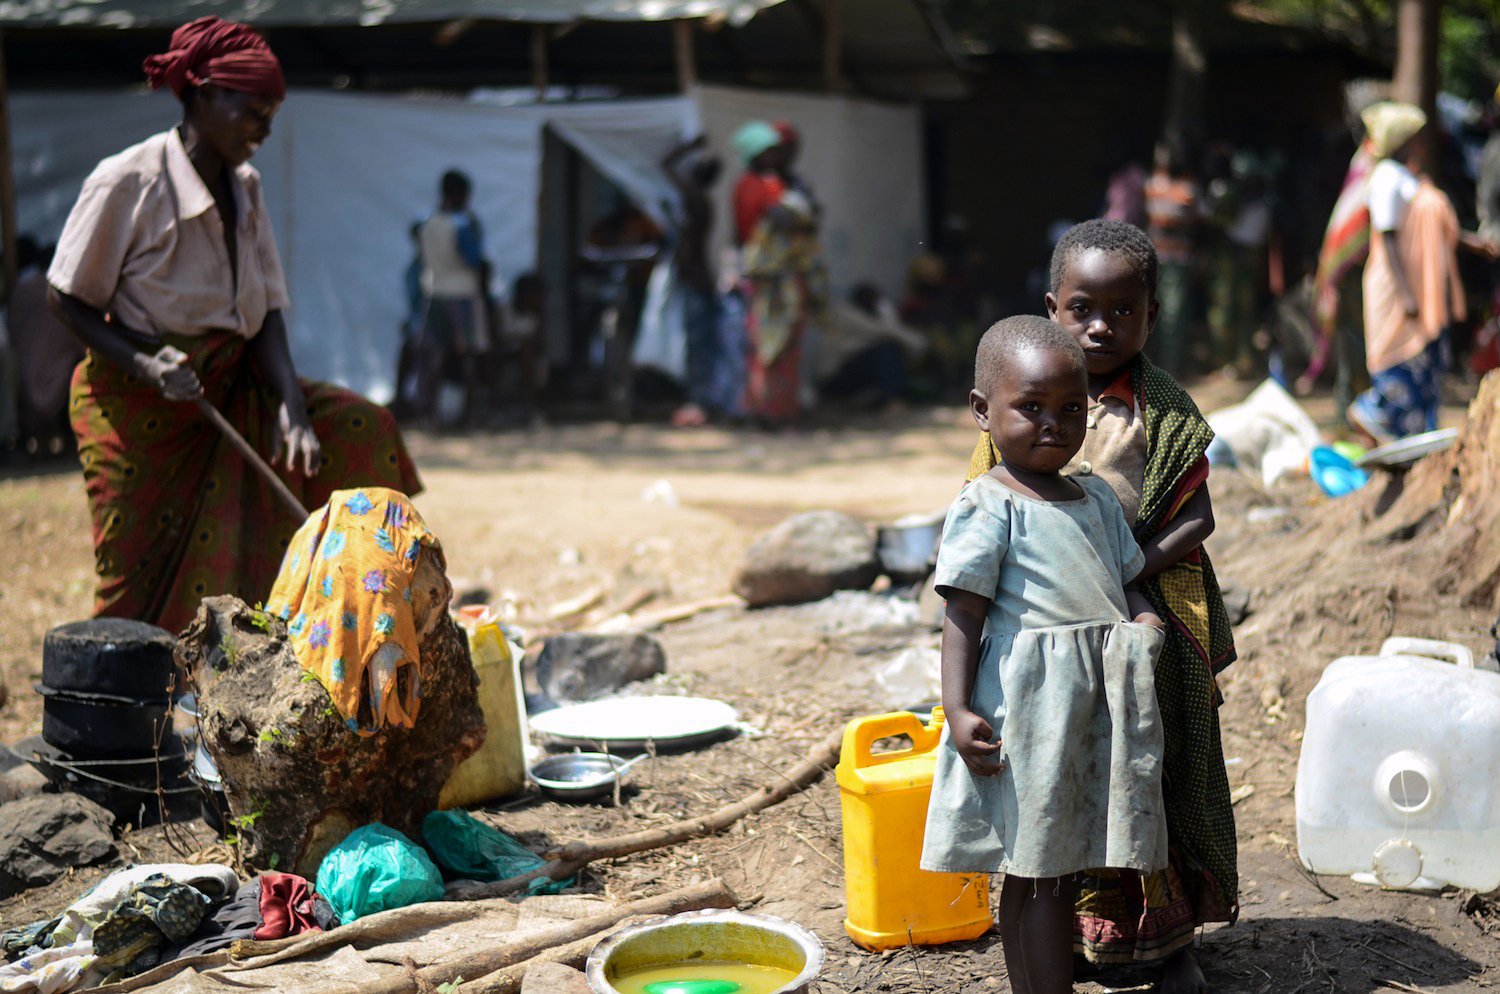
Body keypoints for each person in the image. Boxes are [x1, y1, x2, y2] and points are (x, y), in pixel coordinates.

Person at [47, 16, 421, 634]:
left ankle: (358, 622)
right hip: (140, 402)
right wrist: (145, 362)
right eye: (254, 112)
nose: (265, 130)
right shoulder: (127, 181)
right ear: (201, 93)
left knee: (362, 429)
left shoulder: (245, 188)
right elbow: (66, 298)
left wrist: (292, 408)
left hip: (234, 384)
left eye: (272, 115)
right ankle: (130, 706)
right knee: (134, 581)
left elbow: (267, 307)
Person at [969, 219, 1239, 993]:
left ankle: (1166, 944)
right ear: (1052, 307)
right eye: (1083, 308)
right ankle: (1077, 939)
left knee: (1151, 770)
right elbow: (981, 518)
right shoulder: (1025, 396)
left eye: (1123, 312)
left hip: (1142, 615)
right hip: (1050, 627)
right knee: (1065, 773)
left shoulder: (1160, 408)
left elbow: (1198, 515)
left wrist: (1126, 571)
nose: (1100, 326)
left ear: (1151, 318)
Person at [922, 314, 1169, 994]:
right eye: (1030, 408)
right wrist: (956, 706)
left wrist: (1147, 626)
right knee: (1037, 873)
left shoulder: (1093, 499)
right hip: (1029, 715)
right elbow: (962, 613)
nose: (1052, 425)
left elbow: (1129, 582)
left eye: (1069, 409)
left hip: (1090, 713)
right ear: (983, 412)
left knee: (1051, 869)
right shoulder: (988, 503)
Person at [1350, 102, 1498, 444]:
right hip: (1398, 286)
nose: (1420, 143)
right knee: (1402, 357)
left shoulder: (1406, 176)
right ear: (1400, 141)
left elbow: (1432, 226)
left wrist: (1475, 244)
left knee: (1426, 362)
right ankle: (1377, 413)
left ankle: (1414, 440)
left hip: (1420, 287)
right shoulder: (1387, 178)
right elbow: (1387, 238)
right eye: (1414, 138)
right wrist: (1406, 294)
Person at [417, 169, 492, 428]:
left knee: (436, 356)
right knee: (468, 355)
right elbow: (473, 258)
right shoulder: (461, 224)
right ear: (459, 194)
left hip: (435, 292)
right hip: (462, 294)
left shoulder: (427, 222)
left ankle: (432, 416)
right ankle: (472, 417)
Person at [661, 136, 723, 427]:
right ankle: (700, 402)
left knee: (698, 346)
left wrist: (689, 145)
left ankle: (699, 404)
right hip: (698, 281)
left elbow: (666, 165)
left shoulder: (695, 199)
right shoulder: (702, 201)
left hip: (696, 283)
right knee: (700, 345)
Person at [1145, 145, 1202, 378]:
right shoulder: (1153, 184)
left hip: (1178, 261)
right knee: (1156, 315)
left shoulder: (1188, 188)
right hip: (1154, 259)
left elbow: (1192, 220)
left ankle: (1171, 370)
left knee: (1173, 316)